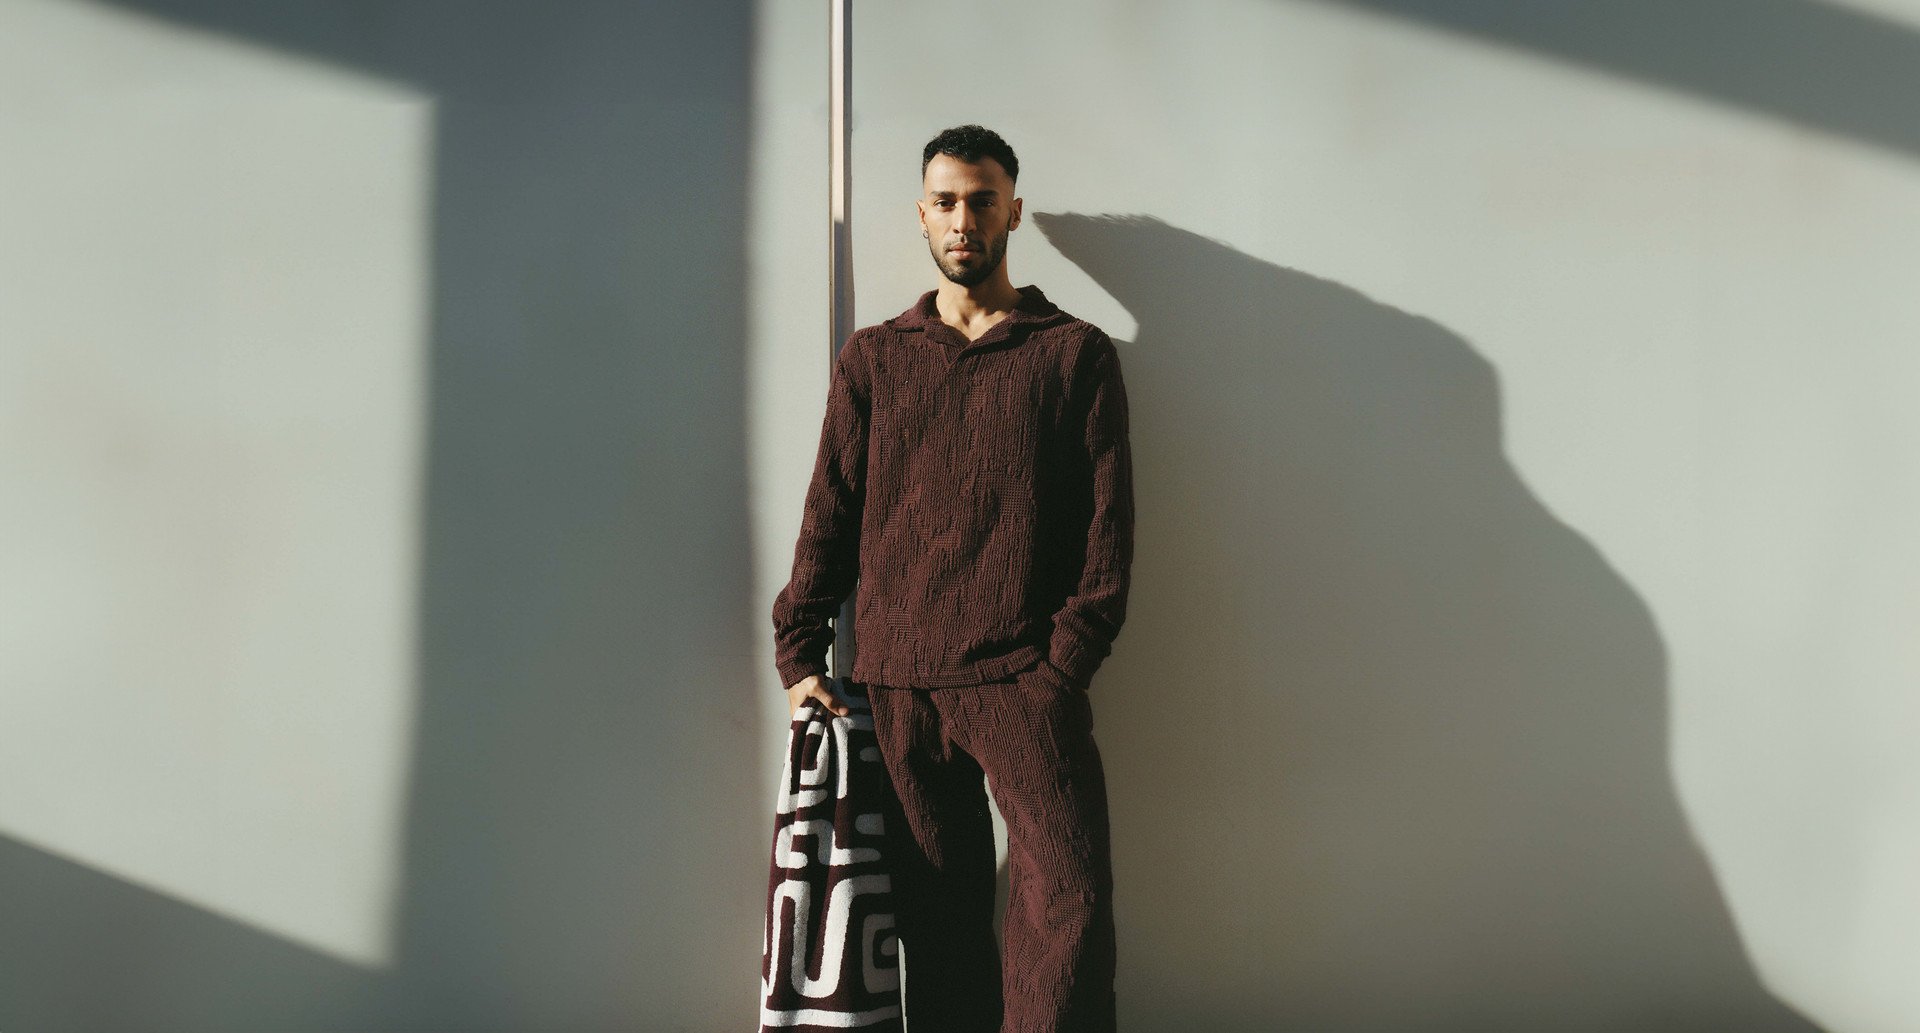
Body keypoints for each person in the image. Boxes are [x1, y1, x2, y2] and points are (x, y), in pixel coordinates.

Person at [771, 123, 1134, 1032]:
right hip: (899, 683)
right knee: (939, 925)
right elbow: (831, 512)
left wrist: (1060, 671)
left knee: (1070, 900)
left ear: (1013, 209)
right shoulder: (875, 357)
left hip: (1022, 681)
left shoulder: (1073, 354)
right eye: (945, 202)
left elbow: (1108, 532)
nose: (962, 219)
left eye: (980, 200)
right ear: (921, 215)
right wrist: (799, 648)